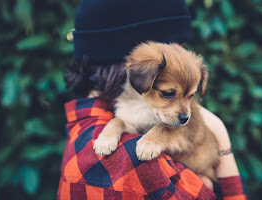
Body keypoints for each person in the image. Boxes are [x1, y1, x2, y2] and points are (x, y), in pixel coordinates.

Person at [57, 0, 247, 199]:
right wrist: (222, 140)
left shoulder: (82, 126)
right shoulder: (133, 161)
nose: (182, 55)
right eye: (177, 46)